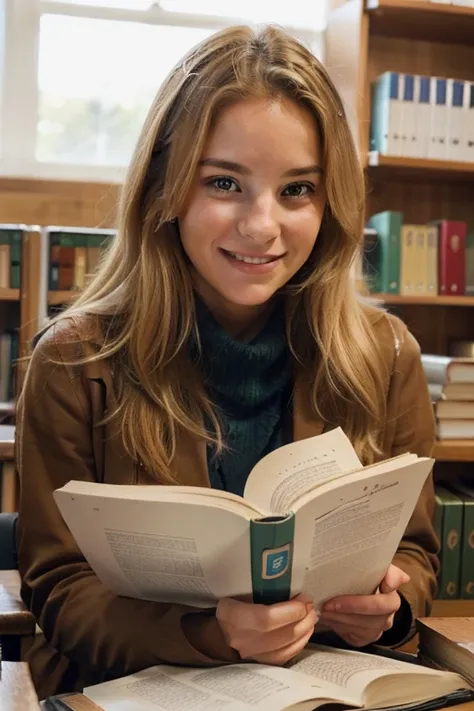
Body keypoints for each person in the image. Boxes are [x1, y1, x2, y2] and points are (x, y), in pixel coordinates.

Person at [16, 24, 438, 700]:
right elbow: (61, 593)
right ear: (166, 190)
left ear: (330, 204)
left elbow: (415, 554)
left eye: (296, 189)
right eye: (224, 182)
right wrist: (212, 635)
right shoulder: (75, 358)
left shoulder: (385, 353)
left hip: (323, 686)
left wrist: (390, 607)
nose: (262, 225)